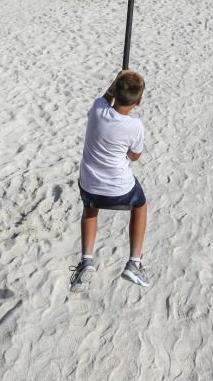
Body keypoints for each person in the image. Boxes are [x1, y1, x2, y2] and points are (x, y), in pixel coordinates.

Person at [70, 70, 149, 292]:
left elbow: (107, 96)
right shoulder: (135, 126)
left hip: (90, 185)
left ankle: (86, 260)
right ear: (139, 101)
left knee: (90, 208)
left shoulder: (97, 109)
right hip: (119, 188)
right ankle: (134, 262)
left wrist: (117, 78)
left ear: (115, 89)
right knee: (140, 206)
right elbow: (134, 156)